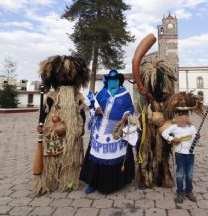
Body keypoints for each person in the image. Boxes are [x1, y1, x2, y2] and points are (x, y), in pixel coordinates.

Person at [33, 55, 90, 195]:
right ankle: (45, 183)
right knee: (51, 156)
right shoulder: (52, 96)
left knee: (70, 156)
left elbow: (81, 111)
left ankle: (68, 181)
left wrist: (82, 126)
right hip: (53, 128)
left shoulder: (77, 96)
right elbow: (45, 110)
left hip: (72, 130)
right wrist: (40, 123)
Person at [80, 69, 138, 194]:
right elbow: (93, 106)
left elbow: (130, 108)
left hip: (116, 131)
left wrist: (126, 115)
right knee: (96, 156)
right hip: (99, 131)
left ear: (119, 81)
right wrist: (96, 110)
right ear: (108, 81)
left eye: (115, 79)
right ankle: (93, 183)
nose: (113, 82)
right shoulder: (102, 93)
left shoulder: (125, 93)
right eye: (111, 80)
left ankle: (115, 184)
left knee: (115, 157)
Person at [161, 109, 200, 204]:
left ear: (188, 117)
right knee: (180, 174)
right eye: (181, 115)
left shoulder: (192, 128)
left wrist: (197, 138)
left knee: (189, 174)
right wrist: (172, 139)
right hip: (180, 154)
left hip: (191, 154)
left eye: (186, 115)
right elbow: (163, 133)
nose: (183, 117)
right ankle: (179, 192)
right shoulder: (174, 127)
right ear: (177, 116)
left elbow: (196, 140)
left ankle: (189, 192)